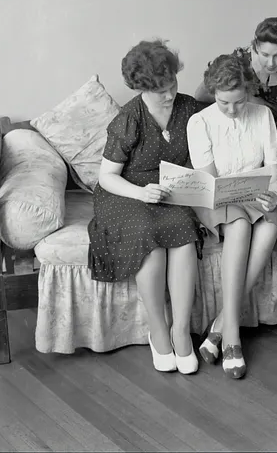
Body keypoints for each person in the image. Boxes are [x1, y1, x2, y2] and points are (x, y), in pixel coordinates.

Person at [88, 39, 206, 375]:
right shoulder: (129, 118)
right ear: (141, 88)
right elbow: (108, 176)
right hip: (126, 194)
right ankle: (158, 329)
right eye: (160, 91)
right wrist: (141, 193)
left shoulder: (190, 109)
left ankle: (180, 330)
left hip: (170, 192)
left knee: (184, 229)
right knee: (147, 234)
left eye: (172, 86)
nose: (169, 95)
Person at [187, 53, 277, 379]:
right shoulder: (200, 122)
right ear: (213, 93)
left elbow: (275, 174)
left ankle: (219, 324)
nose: (233, 110)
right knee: (239, 224)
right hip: (217, 199)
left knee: (268, 229)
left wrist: (271, 191)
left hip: (258, 194)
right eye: (224, 103)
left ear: (249, 90)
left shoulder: (263, 116)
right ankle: (232, 337)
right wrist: (250, 191)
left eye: (238, 101)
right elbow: (211, 184)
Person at [194, 17, 277, 149]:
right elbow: (201, 95)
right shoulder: (241, 59)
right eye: (265, 55)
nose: (271, 63)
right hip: (248, 117)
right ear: (256, 47)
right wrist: (249, 99)